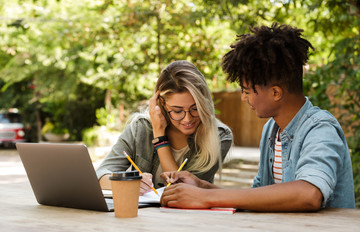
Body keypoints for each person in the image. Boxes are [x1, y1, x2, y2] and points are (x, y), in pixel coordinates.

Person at [160, 23, 355, 211]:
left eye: (247, 91)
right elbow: (258, 197)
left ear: (276, 93)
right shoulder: (272, 130)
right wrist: (202, 187)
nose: (243, 97)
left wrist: (205, 198)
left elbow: (309, 194)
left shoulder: (321, 129)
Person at [96, 60, 233, 195]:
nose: (188, 119)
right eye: (177, 111)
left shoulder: (220, 136)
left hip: (190, 217)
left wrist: (160, 138)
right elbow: (101, 175)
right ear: (161, 103)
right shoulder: (141, 127)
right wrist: (127, 183)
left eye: (195, 108)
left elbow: (182, 191)